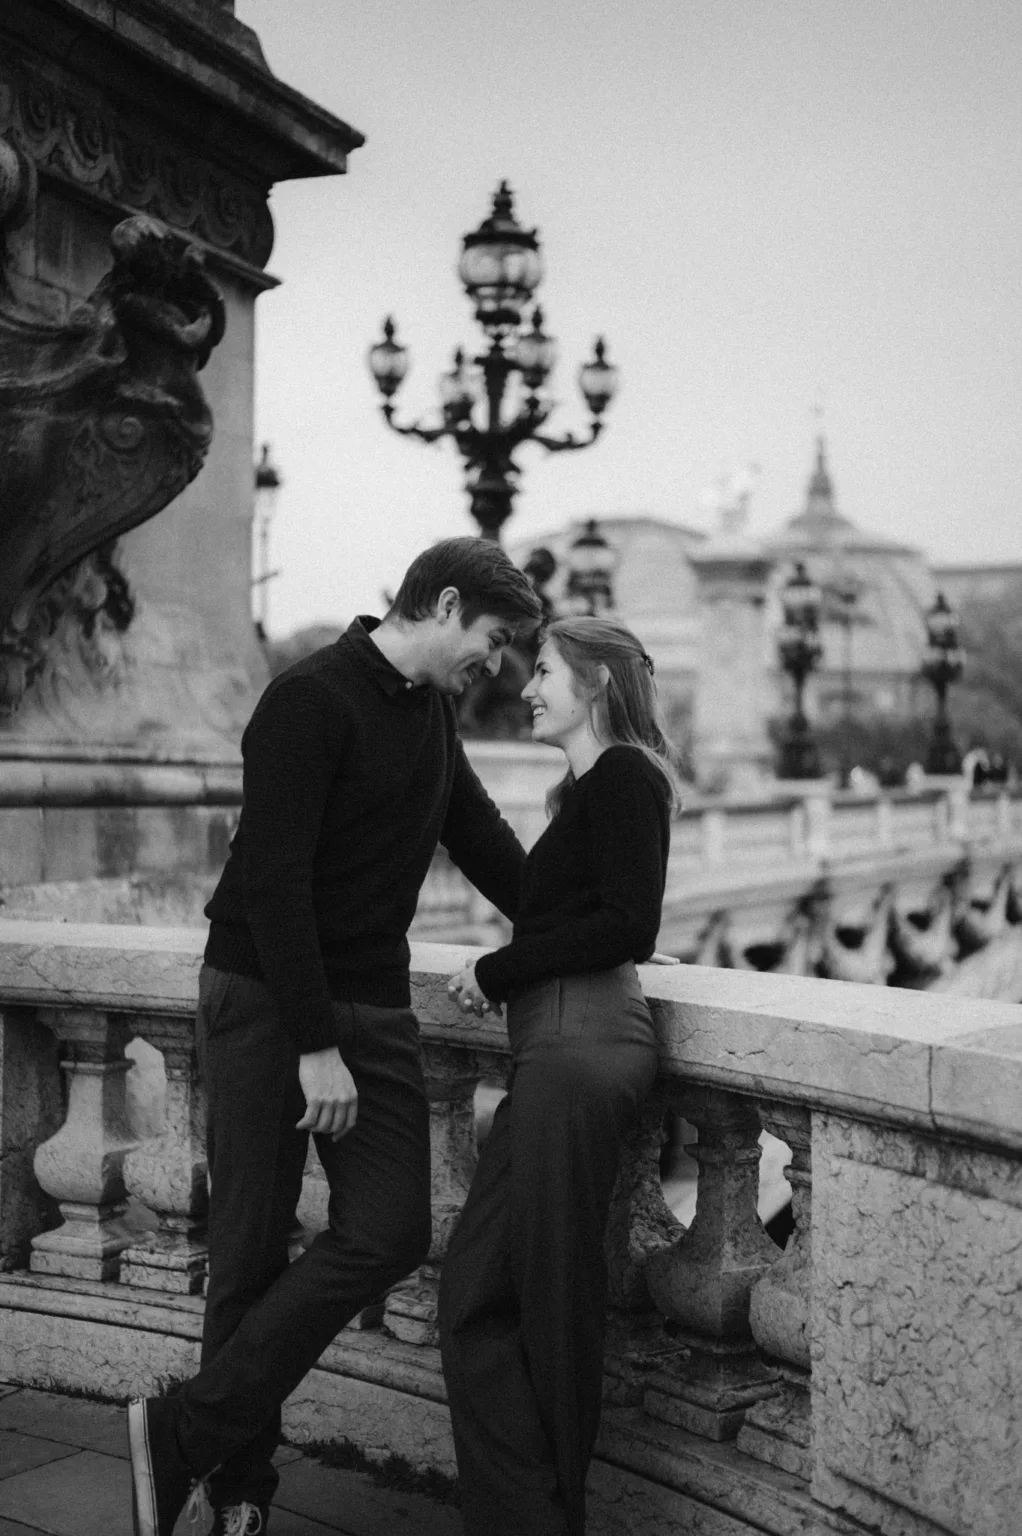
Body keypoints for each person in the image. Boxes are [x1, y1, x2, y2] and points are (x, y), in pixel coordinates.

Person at [127, 537, 542, 1536]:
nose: (496, 666)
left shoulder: (432, 719)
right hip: (270, 1000)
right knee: (249, 1251)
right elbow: (271, 883)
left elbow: (483, 839)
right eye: (491, 641)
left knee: (390, 1228)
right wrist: (313, 1043)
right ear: (443, 605)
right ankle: (237, 1493)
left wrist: (586, 927)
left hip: (370, 1004)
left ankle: (181, 1430)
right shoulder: (308, 700)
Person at [441, 614, 681, 1536]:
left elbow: (631, 924)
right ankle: (527, 1514)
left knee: (552, 1301)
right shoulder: (578, 793)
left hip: (581, 1046)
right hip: (557, 1047)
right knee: (478, 1291)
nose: (528, 687)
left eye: (544, 672)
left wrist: (495, 969)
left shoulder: (623, 776)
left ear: (599, 686)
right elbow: (566, 906)